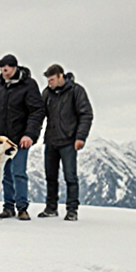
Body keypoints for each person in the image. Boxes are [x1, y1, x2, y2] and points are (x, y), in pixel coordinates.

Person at [0, 54, 45, 220]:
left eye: (6, 68)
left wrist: (29, 134)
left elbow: (37, 111)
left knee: (18, 172)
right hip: (2, 141)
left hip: (20, 138)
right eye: (1, 68)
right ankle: (8, 207)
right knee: (5, 174)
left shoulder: (28, 85)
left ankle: (22, 208)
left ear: (14, 67)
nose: (3, 71)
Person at [38, 64, 94, 221]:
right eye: (48, 80)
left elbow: (86, 114)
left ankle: (72, 210)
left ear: (61, 76)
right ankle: (51, 208)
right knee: (50, 177)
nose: (49, 83)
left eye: (52, 79)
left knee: (70, 177)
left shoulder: (76, 91)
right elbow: (39, 115)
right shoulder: (47, 94)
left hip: (69, 141)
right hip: (51, 140)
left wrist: (80, 137)